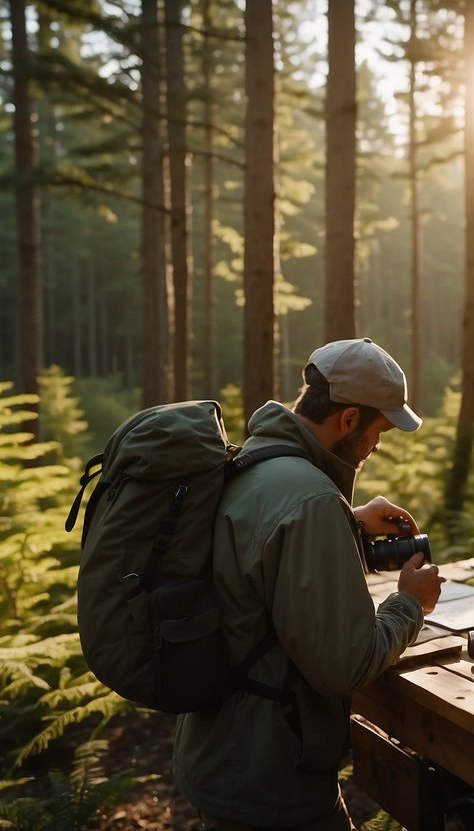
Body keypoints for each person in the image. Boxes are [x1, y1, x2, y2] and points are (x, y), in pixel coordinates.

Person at [173, 337, 444, 830]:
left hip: (223, 749)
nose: (379, 444)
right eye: (379, 429)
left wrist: (350, 523)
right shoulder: (310, 500)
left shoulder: (254, 460)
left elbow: (255, 557)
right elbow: (345, 665)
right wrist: (410, 603)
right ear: (347, 420)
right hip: (271, 778)